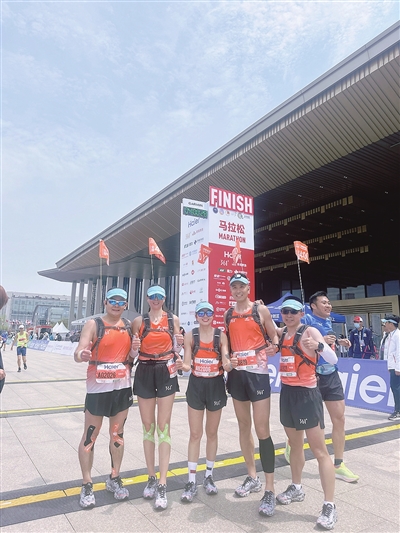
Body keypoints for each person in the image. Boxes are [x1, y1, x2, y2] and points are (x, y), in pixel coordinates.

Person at [275, 296, 338, 529]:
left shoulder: (310, 331)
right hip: (287, 393)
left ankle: (329, 505)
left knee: (319, 451)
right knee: (294, 445)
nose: (289, 315)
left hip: (307, 394)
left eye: (293, 311)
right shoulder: (283, 333)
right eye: (285, 311)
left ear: (301, 313)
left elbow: (333, 358)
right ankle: (296, 487)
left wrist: (319, 346)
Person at [74, 288, 139, 510]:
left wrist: (135, 351)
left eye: (121, 302)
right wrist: (82, 354)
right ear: (105, 302)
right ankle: (87, 483)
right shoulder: (94, 324)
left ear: (126, 305)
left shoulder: (128, 326)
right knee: (90, 436)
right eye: (113, 301)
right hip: (97, 389)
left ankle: (114, 477)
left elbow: (131, 356)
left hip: (121, 389)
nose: (117, 305)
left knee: (117, 435)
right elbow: (78, 351)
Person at [224, 272, 279, 517]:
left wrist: (274, 345)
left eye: (241, 287)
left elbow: (274, 334)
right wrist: (228, 360)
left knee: (262, 429)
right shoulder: (227, 314)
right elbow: (226, 344)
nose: (238, 290)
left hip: (258, 374)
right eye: (234, 287)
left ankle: (270, 488)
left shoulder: (260, 310)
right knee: (243, 426)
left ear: (248, 288)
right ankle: (252, 476)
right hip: (238, 375)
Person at [131, 284, 184, 511]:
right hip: (144, 369)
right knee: (148, 427)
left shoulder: (173, 320)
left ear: (164, 298)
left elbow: (177, 349)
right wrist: (134, 348)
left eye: (159, 296)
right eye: (152, 296)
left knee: (163, 427)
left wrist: (180, 346)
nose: (155, 299)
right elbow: (132, 352)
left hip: (165, 369)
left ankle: (163, 483)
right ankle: (151, 477)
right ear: (147, 298)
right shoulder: (138, 321)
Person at [180, 302, 230, 503]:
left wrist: (230, 364)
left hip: (215, 385)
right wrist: (181, 366)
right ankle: (191, 480)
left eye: (209, 312)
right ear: (196, 316)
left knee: (212, 433)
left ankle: (208, 476)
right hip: (196, 385)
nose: (205, 315)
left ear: (213, 314)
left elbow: (226, 360)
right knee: (195, 434)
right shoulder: (190, 335)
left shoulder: (221, 336)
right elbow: (187, 363)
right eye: (201, 312)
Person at [380, 314, 400, 420]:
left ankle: (398, 411)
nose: (384, 324)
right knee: (394, 388)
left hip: (397, 367)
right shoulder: (390, 335)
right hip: (393, 366)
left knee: (396, 388)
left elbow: (398, 353)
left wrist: (398, 368)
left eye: (386, 322)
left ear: (391, 324)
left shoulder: (397, 335)